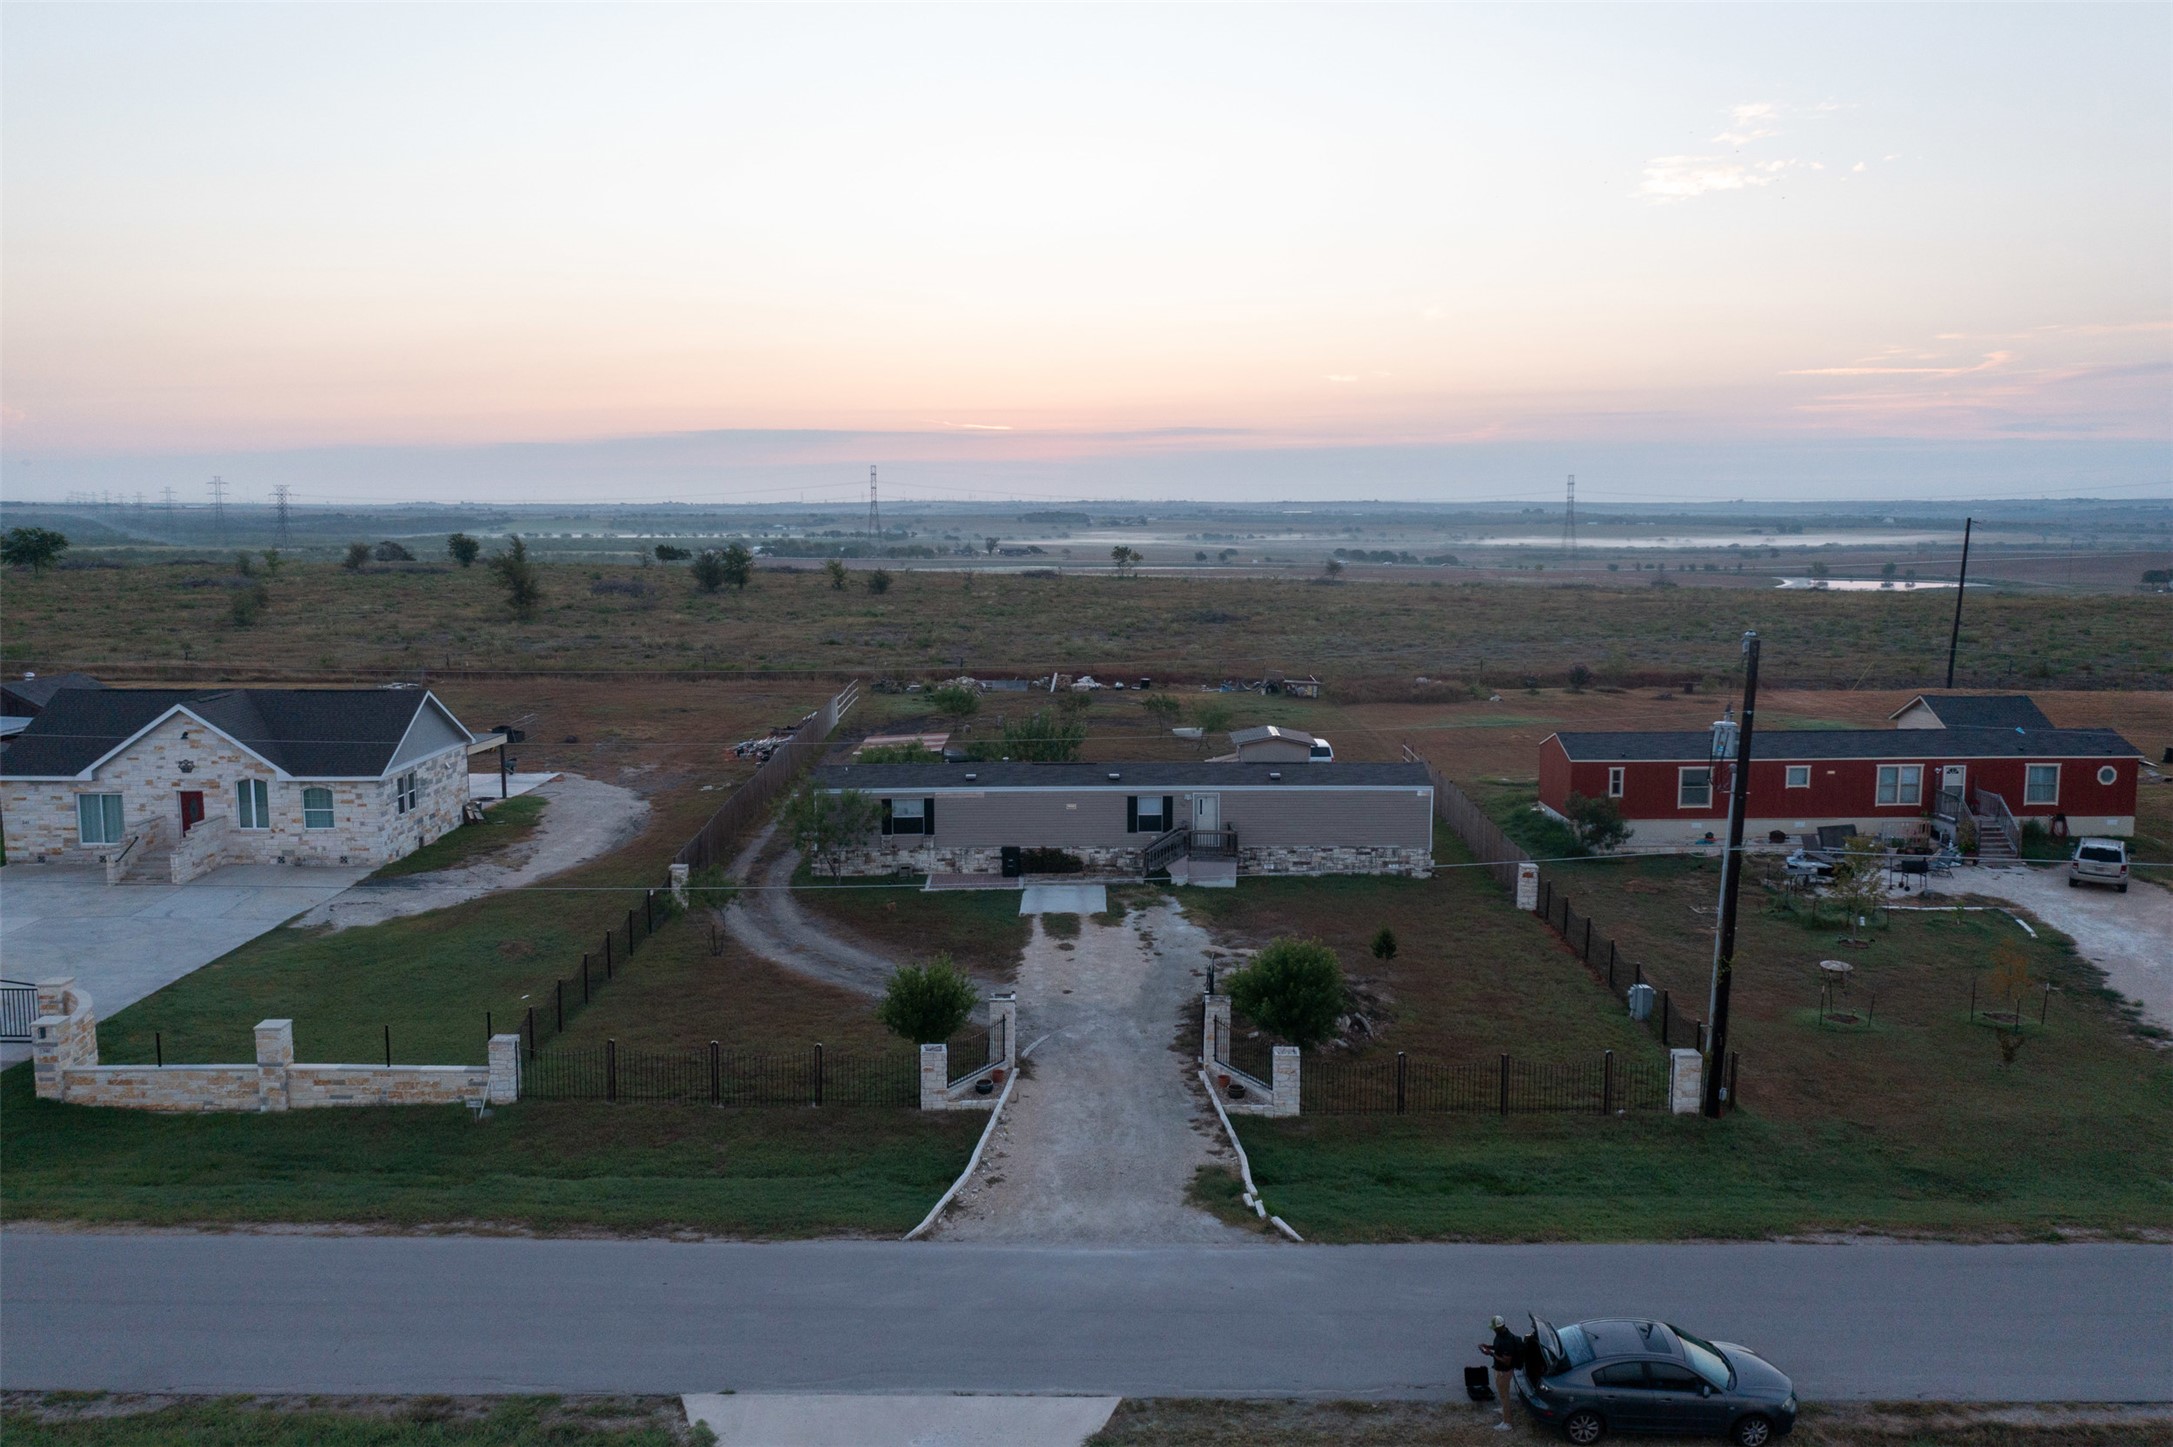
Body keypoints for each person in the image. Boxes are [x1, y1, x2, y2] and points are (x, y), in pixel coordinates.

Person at [1480, 1314, 1521, 1430]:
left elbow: (1506, 1361)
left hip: (1504, 1371)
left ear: (1499, 1328)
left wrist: (1491, 1354)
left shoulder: (1507, 1341)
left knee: (1504, 1396)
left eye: (1494, 1328)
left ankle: (1507, 1423)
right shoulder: (1501, 1335)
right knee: (1503, 1393)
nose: (1493, 1330)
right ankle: (1504, 1409)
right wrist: (1489, 1347)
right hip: (1500, 1370)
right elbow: (1499, 1348)